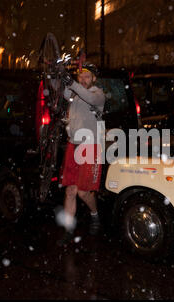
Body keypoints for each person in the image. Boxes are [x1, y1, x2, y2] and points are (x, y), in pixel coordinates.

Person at [57, 63, 105, 245]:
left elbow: (90, 100)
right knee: (70, 191)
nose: (83, 79)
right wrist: (58, 75)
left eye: (87, 76)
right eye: (80, 76)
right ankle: (69, 230)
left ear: (94, 78)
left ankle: (95, 215)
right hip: (73, 145)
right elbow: (60, 92)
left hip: (90, 147)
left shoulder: (97, 94)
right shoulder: (75, 94)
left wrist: (72, 83)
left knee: (83, 192)